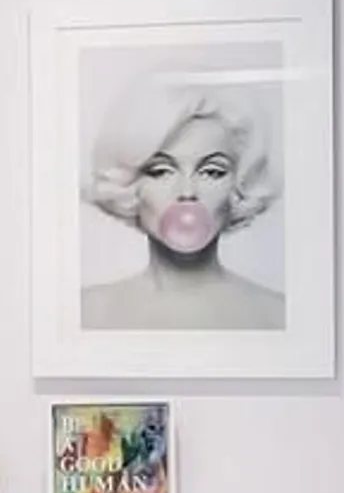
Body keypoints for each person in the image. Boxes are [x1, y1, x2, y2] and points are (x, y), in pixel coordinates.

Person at [80, 72, 284, 330]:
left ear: (239, 185)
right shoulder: (87, 314)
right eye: (161, 171)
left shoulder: (277, 316)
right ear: (129, 185)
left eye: (212, 171)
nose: (187, 191)